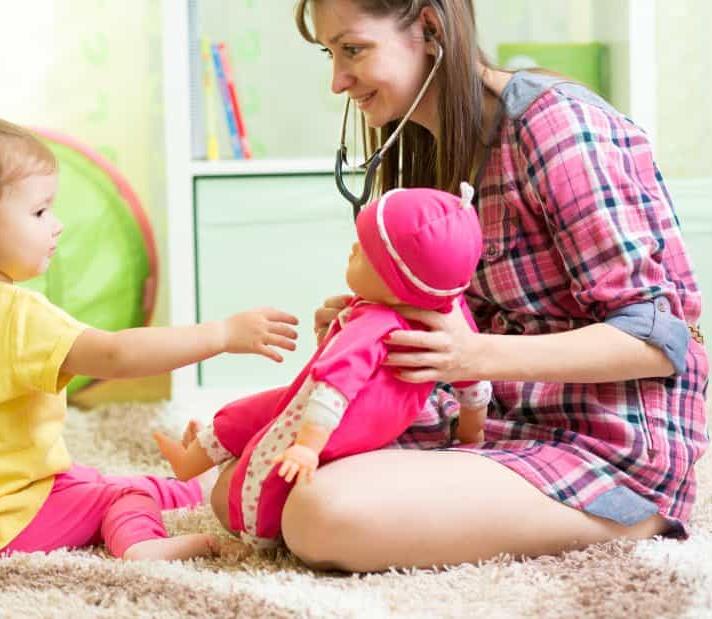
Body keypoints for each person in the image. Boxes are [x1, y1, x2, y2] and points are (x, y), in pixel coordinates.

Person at [199, 0, 709, 572]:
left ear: (430, 29)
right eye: (330, 55)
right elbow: (457, 321)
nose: (337, 81)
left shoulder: (559, 128)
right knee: (239, 492)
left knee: (318, 514)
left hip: (605, 443)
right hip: (492, 417)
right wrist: (381, 320)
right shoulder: (435, 149)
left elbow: (661, 343)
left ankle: (622, 519)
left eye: (353, 49)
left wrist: (476, 354)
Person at [0, 79, 300, 563]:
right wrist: (221, 334)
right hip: (3, 523)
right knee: (121, 498)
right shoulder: (17, 315)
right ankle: (140, 545)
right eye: (39, 211)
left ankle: (189, 490)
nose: (56, 224)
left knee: (97, 479)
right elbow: (116, 355)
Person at [154, 184, 492, 550]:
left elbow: (334, 391)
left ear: (396, 289)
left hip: (338, 418)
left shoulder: (374, 327)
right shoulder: (449, 313)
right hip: (329, 399)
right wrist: (471, 433)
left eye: (364, 255)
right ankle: (193, 457)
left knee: (261, 461)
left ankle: (254, 539)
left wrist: (306, 448)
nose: (352, 250)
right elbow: (472, 382)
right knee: (250, 411)